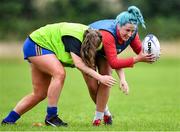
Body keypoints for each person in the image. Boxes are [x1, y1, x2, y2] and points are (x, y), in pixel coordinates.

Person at [1, 22, 117, 127]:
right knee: (59, 73)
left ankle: (8, 120)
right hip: (37, 44)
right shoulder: (75, 40)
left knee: (39, 94)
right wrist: (101, 77)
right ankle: (51, 117)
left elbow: (106, 61)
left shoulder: (96, 40)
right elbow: (79, 64)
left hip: (42, 46)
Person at [84, 6, 156, 126]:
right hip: (89, 50)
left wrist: (153, 53)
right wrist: (138, 59)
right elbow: (114, 62)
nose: (130, 34)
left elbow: (140, 51)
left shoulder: (132, 34)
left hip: (104, 54)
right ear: (118, 25)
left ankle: (97, 119)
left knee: (107, 78)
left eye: (132, 31)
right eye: (127, 30)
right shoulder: (108, 34)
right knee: (92, 86)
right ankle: (106, 113)